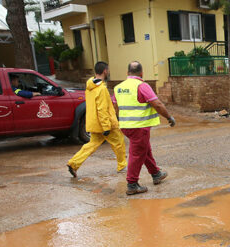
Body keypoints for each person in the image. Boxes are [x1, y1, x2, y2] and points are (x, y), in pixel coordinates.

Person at [114, 61, 175, 195]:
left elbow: (116, 106)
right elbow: (157, 104)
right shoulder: (142, 86)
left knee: (144, 149)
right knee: (137, 154)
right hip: (139, 126)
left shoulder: (118, 87)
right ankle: (132, 184)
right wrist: (169, 117)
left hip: (126, 125)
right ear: (142, 73)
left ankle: (156, 173)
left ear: (127, 73)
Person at [67, 62, 126, 178]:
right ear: (105, 71)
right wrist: (106, 127)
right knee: (119, 142)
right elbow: (102, 109)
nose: (108, 72)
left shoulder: (90, 86)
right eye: (108, 70)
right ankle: (122, 166)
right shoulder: (101, 89)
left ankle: (73, 163)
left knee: (91, 145)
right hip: (105, 123)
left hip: (94, 123)